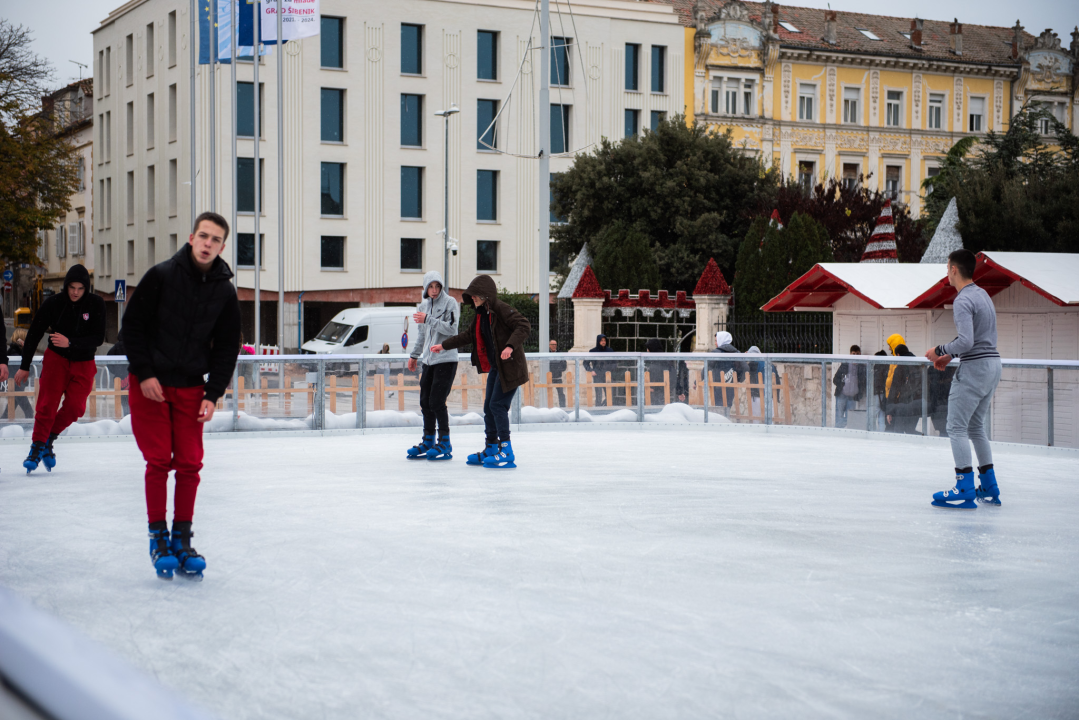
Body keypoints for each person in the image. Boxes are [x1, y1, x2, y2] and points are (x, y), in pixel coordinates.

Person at [120, 211, 241, 580]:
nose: (207, 243)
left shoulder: (224, 290)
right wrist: (144, 373)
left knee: (189, 463)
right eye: (203, 236)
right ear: (191, 238)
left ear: (222, 246)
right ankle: (157, 538)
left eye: (215, 239)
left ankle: (182, 539)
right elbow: (132, 328)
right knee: (159, 460)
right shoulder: (161, 276)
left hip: (191, 387)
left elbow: (227, 347)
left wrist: (213, 392)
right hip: (151, 387)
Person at [925, 249, 1002, 509]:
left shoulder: (962, 300)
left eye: (947, 267)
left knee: (956, 427)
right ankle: (989, 486)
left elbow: (967, 341)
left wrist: (940, 350)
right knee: (976, 427)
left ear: (954, 269)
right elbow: (978, 341)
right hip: (992, 366)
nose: (947, 271)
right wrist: (951, 356)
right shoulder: (983, 296)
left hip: (975, 369)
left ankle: (965, 487)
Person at [431, 274, 530, 468]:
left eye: (475, 295)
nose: (473, 298)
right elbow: (468, 335)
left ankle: (506, 451)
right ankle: (491, 448)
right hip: (496, 367)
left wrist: (509, 346)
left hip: (510, 367)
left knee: (497, 406)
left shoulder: (500, 309)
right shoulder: (480, 315)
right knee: (488, 408)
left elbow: (523, 325)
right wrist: (443, 345)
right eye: (471, 295)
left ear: (486, 295)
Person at [16, 264, 106, 473]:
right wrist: (24, 365)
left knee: (76, 408)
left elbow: (98, 338)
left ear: (86, 288)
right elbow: (34, 333)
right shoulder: (54, 303)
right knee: (46, 405)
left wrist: (71, 342)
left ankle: (49, 437)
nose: (75, 292)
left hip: (84, 363)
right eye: (71, 287)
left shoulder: (96, 304)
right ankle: (37, 447)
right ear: (66, 286)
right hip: (56, 360)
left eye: (80, 288)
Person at [406, 271, 459, 460]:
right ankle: (428, 439)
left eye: (437, 286)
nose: (434, 290)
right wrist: (414, 355)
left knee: (437, 401)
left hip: (446, 358)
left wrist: (428, 319)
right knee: (425, 401)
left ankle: (444, 441)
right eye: (431, 286)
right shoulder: (423, 305)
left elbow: (452, 329)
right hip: (428, 360)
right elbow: (422, 335)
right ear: (425, 288)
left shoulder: (451, 303)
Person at [883, 334, 922, 434]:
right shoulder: (919, 365)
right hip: (917, 404)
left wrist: (890, 411)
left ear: (898, 355)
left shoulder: (900, 367)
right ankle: (921, 440)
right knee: (909, 430)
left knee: (898, 432)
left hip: (902, 405)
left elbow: (894, 389)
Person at [644, 338, 688, 406]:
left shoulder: (654, 362)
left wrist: (654, 388)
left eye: (648, 349)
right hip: (664, 394)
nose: (647, 351)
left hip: (654, 395)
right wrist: (679, 391)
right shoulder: (666, 360)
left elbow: (657, 377)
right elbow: (674, 377)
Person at [710, 331, 746, 411]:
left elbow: (707, 367)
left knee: (718, 408)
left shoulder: (716, 353)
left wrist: (696, 382)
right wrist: (738, 379)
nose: (715, 343)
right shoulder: (736, 353)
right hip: (731, 386)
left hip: (718, 386)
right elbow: (745, 368)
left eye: (716, 340)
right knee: (727, 408)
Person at [832, 345, 866, 428]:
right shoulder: (845, 365)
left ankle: (844, 430)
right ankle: (838, 431)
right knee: (839, 415)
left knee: (849, 417)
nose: (855, 356)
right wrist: (843, 386)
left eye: (857, 354)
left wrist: (859, 392)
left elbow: (864, 382)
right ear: (850, 354)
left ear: (860, 354)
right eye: (853, 354)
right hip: (841, 395)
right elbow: (835, 379)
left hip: (853, 397)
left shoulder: (862, 367)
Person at [4, 328, 34, 419]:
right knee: (29, 412)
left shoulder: (14, 353)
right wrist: (26, 352)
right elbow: (29, 371)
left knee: (7, 414)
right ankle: (28, 431)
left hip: (15, 388)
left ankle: (3, 429)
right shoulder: (16, 356)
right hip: (17, 388)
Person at [584, 334, 614, 406]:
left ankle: (607, 407)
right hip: (597, 375)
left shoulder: (610, 350)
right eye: (601, 340)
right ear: (598, 341)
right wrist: (591, 370)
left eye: (604, 340)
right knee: (598, 394)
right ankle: (598, 408)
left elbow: (614, 362)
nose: (603, 342)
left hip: (607, 375)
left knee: (609, 393)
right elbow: (585, 363)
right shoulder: (593, 351)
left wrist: (610, 370)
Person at [872, 350, 889, 431]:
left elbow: (877, 381)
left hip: (877, 393)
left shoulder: (878, 367)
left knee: (874, 414)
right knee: (882, 415)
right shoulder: (887, 366)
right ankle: (881, 432)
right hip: (884, 393)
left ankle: (873, 431)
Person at [548, 339, 567, 408]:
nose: (554, 346)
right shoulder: (546, 353)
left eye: (555, 344)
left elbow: (564, 364)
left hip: (558, 377)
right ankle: (548, 407)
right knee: (547, 393)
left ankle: (563, 407)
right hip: (549, 377)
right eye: (552, 344)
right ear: (549, 345)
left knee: (561, 393)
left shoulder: (560, 353)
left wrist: (559, 370)